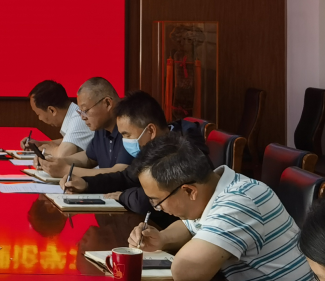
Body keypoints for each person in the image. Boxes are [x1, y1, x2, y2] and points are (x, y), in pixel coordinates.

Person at [128, 132, 325, 281]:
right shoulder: (217, 188)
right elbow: (190, 226)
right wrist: (162, 238)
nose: (159, 209)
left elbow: (185, 270)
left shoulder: (239, 202)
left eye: (158, 201)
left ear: (189, 191)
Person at [60, 91, 208, 219]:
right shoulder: (153, 146)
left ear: (150, 131)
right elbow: (126, 177)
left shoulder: (183, 149)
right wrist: (86, 184)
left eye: (127, 135)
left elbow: (148, 200)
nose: (125, 141)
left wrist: (122, 196)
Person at [37, 77, 131, 180]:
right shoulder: (101, 128)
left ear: (107, 103)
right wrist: (56, 162)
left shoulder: (129, 126)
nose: (82, 117)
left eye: (85, 110)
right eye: (80, 112)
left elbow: (120, 172)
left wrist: (66, 170)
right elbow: (88, 158)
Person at [24, 80, 95, 158]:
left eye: (39, 114)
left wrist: (48, 149)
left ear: (52, 110)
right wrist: (39, 144)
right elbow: (70, 141)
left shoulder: (78, 118)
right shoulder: (75, 113)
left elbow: (63, 154)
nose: (39, 118)